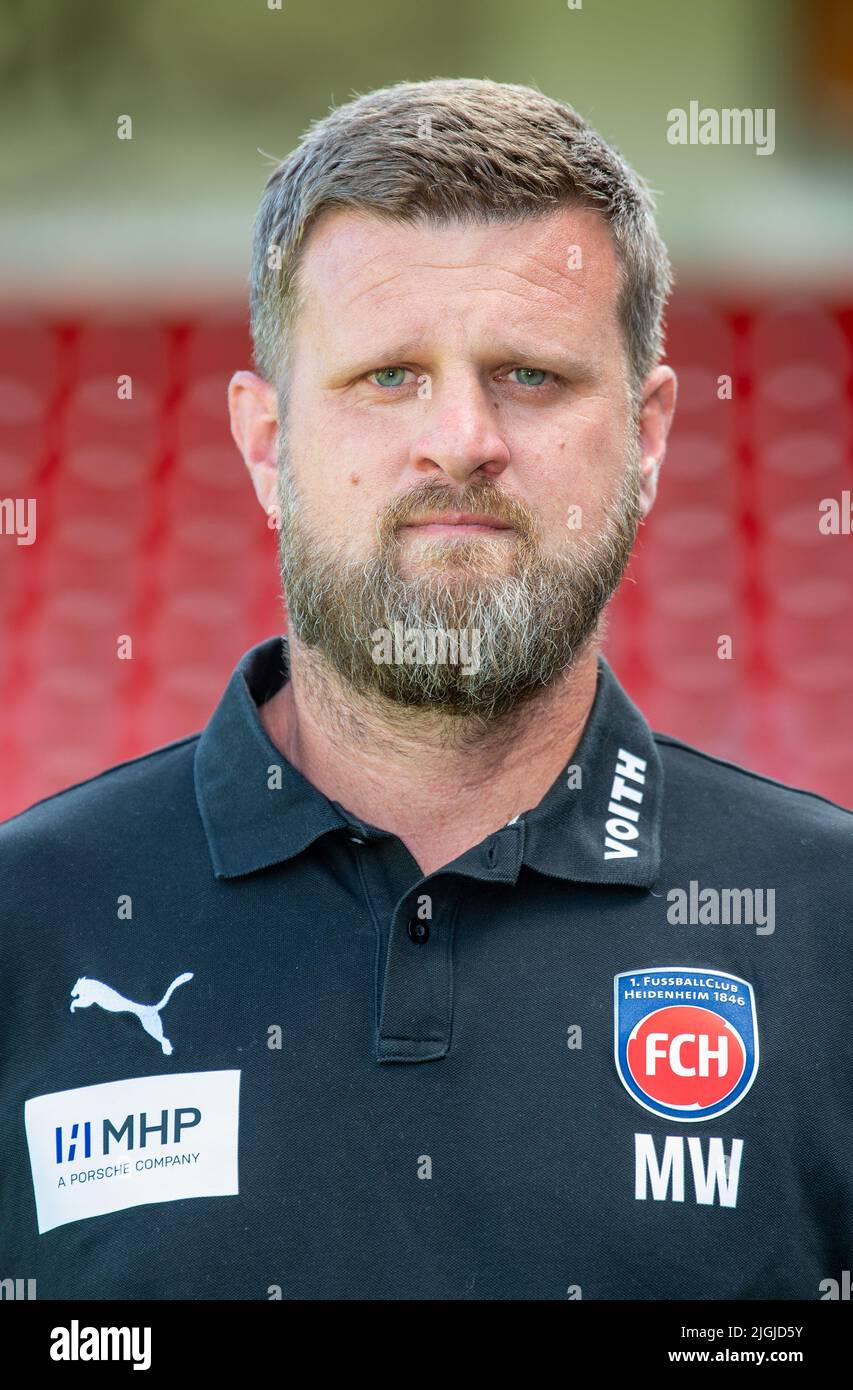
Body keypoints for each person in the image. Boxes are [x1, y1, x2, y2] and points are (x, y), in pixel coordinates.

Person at [1, 78, 850, 1301]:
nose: (460, 437)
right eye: (389, 376)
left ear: (652, 435)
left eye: (532, 377)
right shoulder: (29, 922)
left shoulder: (828, 928)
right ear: (264, 441)